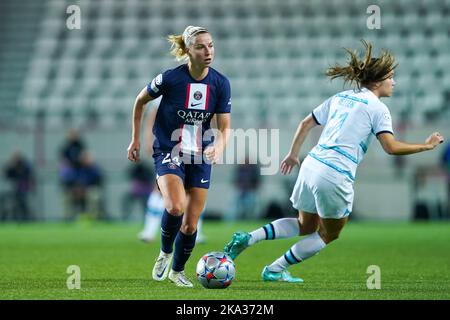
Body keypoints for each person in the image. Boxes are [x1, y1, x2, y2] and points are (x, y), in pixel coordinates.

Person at [224, 40, 445, 283]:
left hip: (311, 164)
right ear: (378, 80)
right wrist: (427, 145)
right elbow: (391, 148)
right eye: (391, 77)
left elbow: (305, 123)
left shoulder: (342, 97)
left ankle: (249, 238)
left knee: (304, 224)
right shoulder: (378, 108)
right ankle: (274, 269)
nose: (394, 82)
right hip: (335, 172)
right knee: (329, 233)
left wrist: (293, 154)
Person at [127, 26, 231, 287]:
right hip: (168, 151)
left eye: (211, 45)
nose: (208, 51)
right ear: (188, 50)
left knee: (190, 226)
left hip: (200, 157)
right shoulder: (170, 79)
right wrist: (136, 139)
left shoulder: (220, 83)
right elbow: (140, 101)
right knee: (174, 206)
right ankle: (164, 252)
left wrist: (219, 146)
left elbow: (225, 126)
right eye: (200, 46)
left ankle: (177, 271)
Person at [2, 152, 35, 221]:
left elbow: (29, 177)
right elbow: (6, 176)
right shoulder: (11, 167)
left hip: (22, 189)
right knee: (10, 205)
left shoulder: (25, 167)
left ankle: (25, 219)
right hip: (12, 190)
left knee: (23, 205)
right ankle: (9, 218)